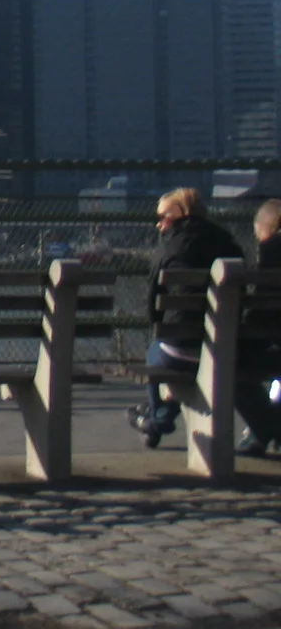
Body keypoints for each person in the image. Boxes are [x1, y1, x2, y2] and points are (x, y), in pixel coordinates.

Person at [132, 186, 244, 448]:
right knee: (174, 357)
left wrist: (157, 329)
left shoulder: (170, 247)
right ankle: (157, 416)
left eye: (162, 217)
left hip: (180, 349)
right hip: (225, 346)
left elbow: (153, 304)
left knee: (156, 353)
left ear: (179, 214)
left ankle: (157, 417)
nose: (158, 224)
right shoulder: (228, 242)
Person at [236, 198, 281, 457]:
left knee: (230, 361)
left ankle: (265, 427)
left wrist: (245, 329)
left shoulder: (273, 249)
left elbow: (265, 306)